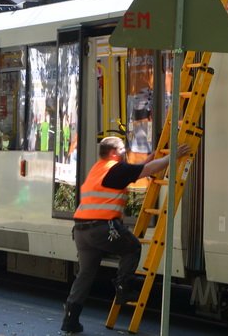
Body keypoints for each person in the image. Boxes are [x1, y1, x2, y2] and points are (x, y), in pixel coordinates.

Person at [60, 136, 191, 334]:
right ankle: (123, 287)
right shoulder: (116, 169)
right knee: (132, 247)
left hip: (81, 231)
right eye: (122, 149)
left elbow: (134, 170)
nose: (125, 152)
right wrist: (171, 157)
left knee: (85, 274)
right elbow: (144, 171)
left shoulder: (99, 168)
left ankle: (70, 320)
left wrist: (149, 158)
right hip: (102, 228)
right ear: (113, 152)